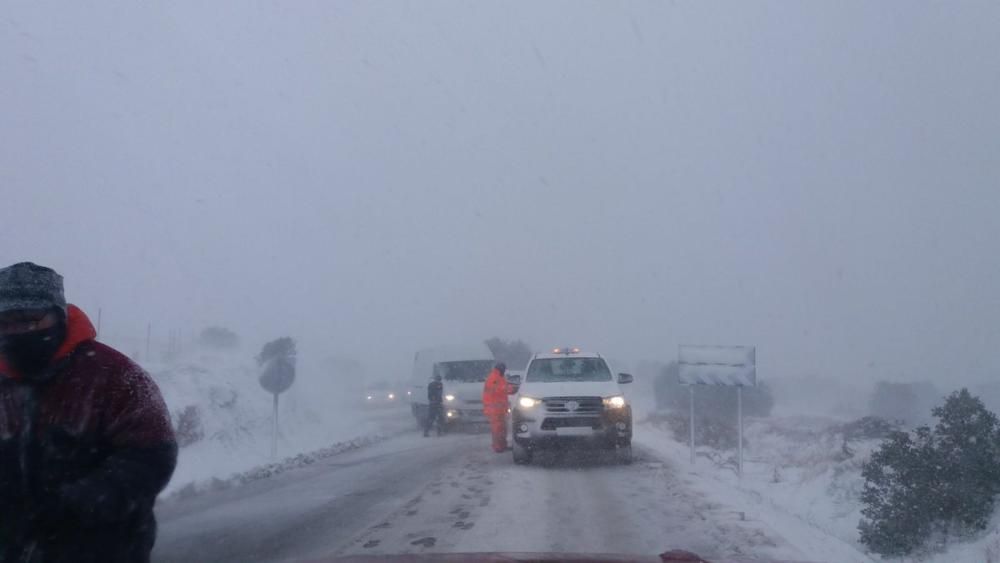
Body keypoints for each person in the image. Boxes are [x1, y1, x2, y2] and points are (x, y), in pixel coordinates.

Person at [0, 262, 178, 563]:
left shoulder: (117, 377)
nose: (16, 332)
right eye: (5, 322)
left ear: (59, 315)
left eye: (29, 319)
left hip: (103, 548)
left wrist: (76, 503)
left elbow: (152, 457)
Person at [482, 362, 509, 453]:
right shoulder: (494, 378)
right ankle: (498, 447)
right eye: (504, 369)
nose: (504, 371)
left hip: (499, 409)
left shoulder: (499, 377)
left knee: (502, 429)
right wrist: (510, 389)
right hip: (494, 410)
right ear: (501, 369)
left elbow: (503, 389)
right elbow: (500, 390)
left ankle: (502, 445)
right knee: (497, 429)